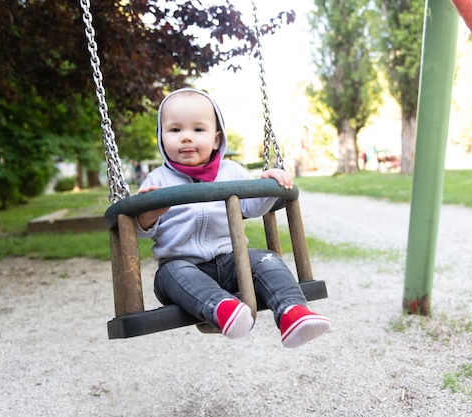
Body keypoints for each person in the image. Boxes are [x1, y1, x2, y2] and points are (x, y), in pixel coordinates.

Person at [135, 87, 331, 348]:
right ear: (161, 137)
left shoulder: (231, 172)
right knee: (170, 273)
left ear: (216, 139)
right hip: (182, 269)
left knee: (266, 259)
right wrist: (148, 212)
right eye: (175, 130)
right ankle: (224, 310)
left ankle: (292, 313)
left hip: (231, 262)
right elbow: (137, 229)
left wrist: (268, 184)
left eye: (198, 130)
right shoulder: (157, 180)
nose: (186, 138)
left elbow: (253, 206)